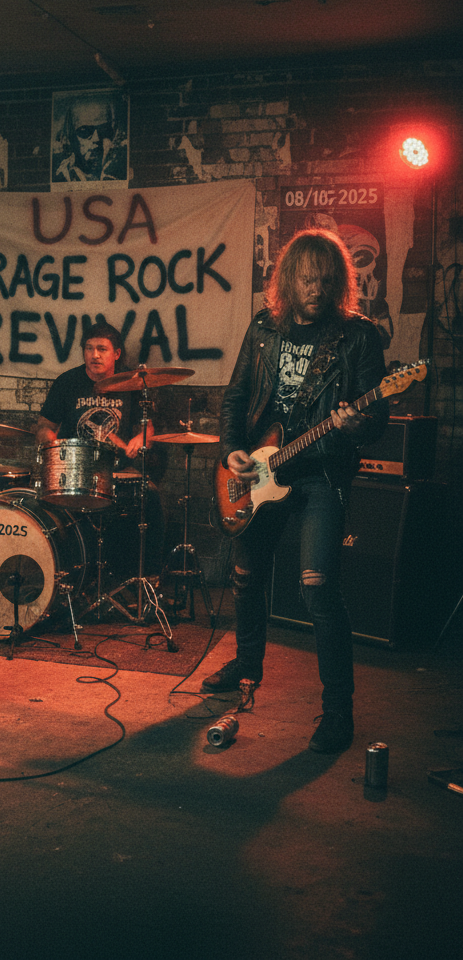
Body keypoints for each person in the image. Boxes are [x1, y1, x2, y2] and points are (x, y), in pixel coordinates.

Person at [204, 228, 388, 753]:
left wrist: (354, 423)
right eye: (306, 278)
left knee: (317, 590)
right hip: (263, 469)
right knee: (245, 576)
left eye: (325, 279)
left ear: (338, 283)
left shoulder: (357, 336)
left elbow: (377, 418)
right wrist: (231, 450)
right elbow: (236, 396)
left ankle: (337, 712)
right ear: (288, 279)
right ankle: (246, 661)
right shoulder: (264, 328)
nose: (315, 287)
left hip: (321, 474)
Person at [35, 321, 166, 578]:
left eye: (102, 349)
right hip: (75, 470)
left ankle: (147, 578)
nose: (95, 355)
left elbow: (148, 429)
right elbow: (44, 425)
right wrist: (52, 445)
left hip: (119, 472)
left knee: (151, 497)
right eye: (89, 348)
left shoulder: (134, 384)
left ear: (116, 353)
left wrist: (140, 439)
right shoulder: (67, 382)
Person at [53, 94, 126, 182]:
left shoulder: (119, 173)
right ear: (72, 137)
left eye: (104, 131)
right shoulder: (61, 176)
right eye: (85, 132)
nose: (96, 139)